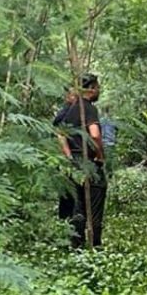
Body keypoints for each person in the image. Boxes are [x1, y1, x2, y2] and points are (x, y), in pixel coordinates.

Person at [56, 73, 106, 248]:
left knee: (78, 207)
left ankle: (76, 245)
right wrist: (99, 155)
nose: (99, 90)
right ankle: (95, 246)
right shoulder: (88, 108)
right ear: (91, 88)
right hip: (89, 163)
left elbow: (60, 134)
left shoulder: (71, 108)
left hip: (74, 165)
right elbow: (95, 134)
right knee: (95, 205)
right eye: (97, 87)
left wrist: (69, 155)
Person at [54, 87, 78, 221]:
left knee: (70, 192)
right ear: (68, 97)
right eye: (74, 96)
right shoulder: (66, 113)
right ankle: (66, 220)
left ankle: (68, 220)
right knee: (68, 192)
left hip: (69, 157)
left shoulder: (71, 111)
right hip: (67, 159)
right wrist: (68, 156)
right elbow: (60, 135)